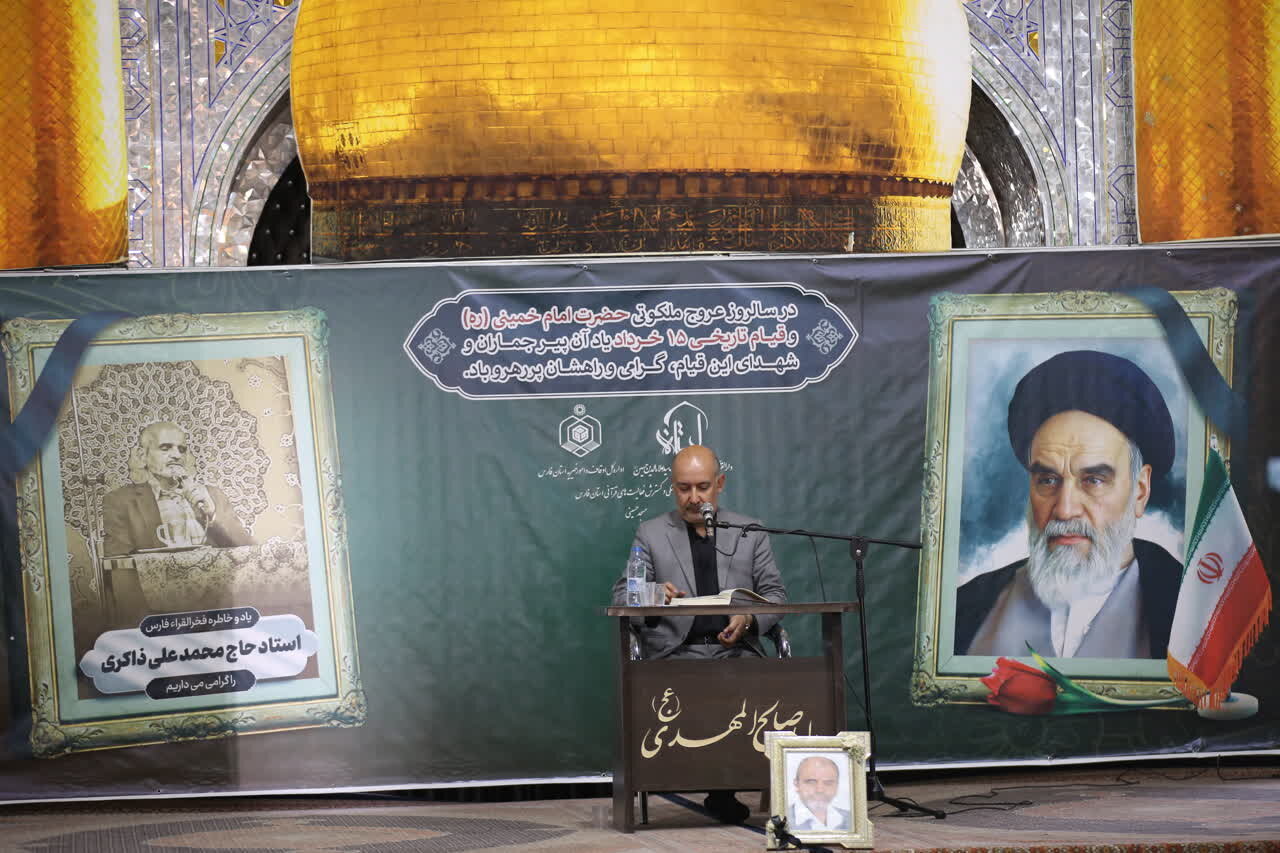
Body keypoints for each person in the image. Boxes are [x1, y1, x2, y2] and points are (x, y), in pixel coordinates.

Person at [955, 350, 1183, 659]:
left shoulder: (1192, 610)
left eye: (1094, 480)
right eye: (1048, 480)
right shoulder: (966, 608)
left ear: (1140, 492)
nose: (1064, 510)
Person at [612, 444, 788, 822]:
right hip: (675, 653)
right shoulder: (651, 533)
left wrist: (749, 620)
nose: (693, 498)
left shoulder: (749, 532)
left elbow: (775, 596)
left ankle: (724, 791)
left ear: (719, 484)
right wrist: (654, 593)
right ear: (673, 488)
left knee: (743, 686)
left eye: (702, 487)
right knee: (700, 687)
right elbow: (622, 596)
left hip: (737, 651)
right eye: (684, 488)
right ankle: (713, 788)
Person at [101, 421, 253, 557]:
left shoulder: (213, 495)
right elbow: (118, 565)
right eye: (165, 448)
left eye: (182, 449)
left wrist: (212, 515)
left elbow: (249, 551)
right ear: (142, 456)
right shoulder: (121, 502)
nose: (176, 455)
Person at [788, 754, 850, 832]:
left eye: (828, 783)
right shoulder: (781, 820)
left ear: (837, 786)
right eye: (811, 782)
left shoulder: (853, 819)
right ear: (797, 784)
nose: (820, 790)